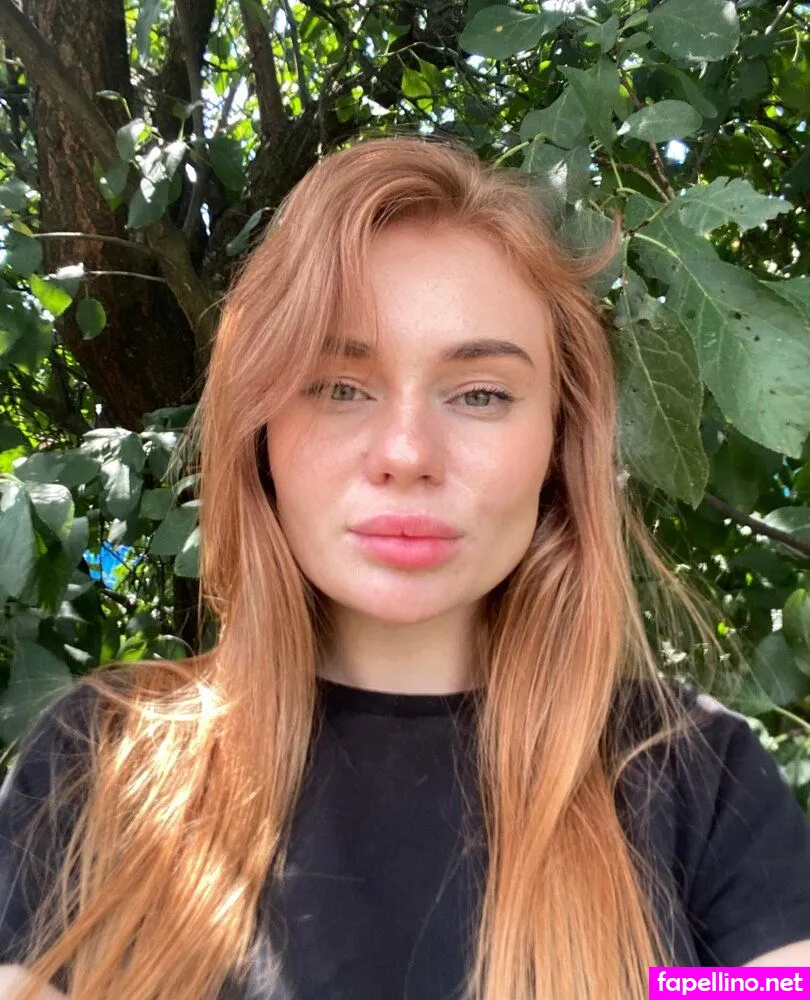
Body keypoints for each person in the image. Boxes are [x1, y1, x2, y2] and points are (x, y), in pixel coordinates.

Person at [1, 132, 810, 1000]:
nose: (407, 453)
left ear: (559, 440)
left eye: (481, 394)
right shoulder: (105, 759)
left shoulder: (698, 778)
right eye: (339, 386)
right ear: (259, 429)